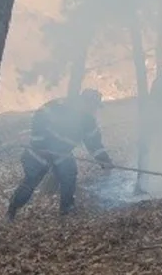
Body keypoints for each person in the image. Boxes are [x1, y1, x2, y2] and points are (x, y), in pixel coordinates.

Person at [7, 88, 113, 219]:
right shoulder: (60, 106)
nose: (94, 110)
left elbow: (94, 144)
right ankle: (12, 209)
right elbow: (39, 117)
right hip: (40, 151)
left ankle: (66, 209)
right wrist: (40, 142)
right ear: (84, 102)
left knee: (69, 175)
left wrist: (104, 160)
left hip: (62, 153)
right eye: (92, 105)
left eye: (95, 107)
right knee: (31, 181)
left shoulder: (88, 121)